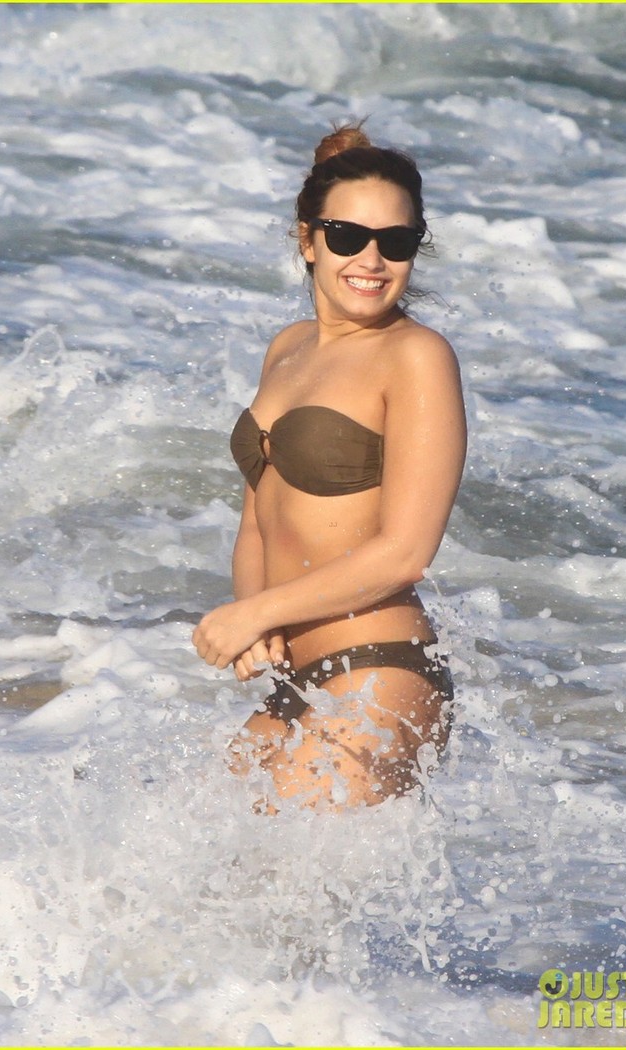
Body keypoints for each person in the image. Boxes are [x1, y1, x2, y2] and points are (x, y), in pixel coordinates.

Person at [193, 122, 466, 810]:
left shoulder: (416, 356)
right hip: (296, 682)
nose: (372, 259)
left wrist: (255, 611)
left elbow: (405, 554)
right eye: (347, 236)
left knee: (270, 880)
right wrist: (257, 625)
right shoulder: (287, 348)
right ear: (308, 239)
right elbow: (258, 520)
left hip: (380, 672)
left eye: (396, 242)